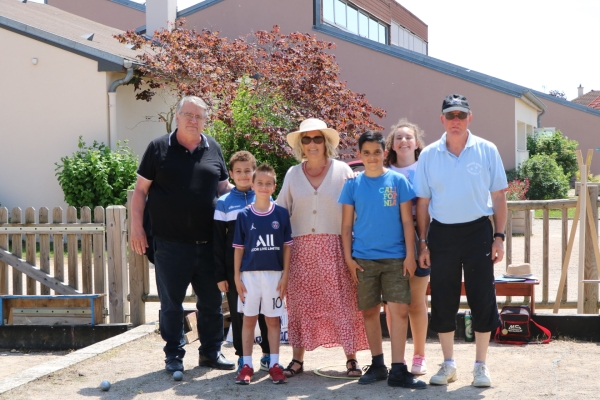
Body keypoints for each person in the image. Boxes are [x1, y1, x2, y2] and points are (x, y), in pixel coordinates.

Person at [130, 95, 235, 373]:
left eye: (199, 116)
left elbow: (224, 190)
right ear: (177, 116)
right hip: (170, 244)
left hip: (209, 243)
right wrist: (137, 228)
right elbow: (140, 192)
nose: (193, 120)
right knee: (171, 305)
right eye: (188, 114)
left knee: (212, 304)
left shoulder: (213, 147)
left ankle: (211, 353)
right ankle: (173, 355)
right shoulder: (158, 148)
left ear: (205, 120)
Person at [414, 94, 508, 388]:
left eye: (461, 115)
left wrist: (499, 237)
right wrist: (423, 243)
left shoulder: (487, 150)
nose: (456, 120)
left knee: (482, 296)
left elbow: (498, 197)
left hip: (479, 232)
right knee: (443, 298)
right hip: (442, 234)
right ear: (442, 119)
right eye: (450, 115)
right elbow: (422, 203)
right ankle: (448, 364)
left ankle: (481, 366)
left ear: (470, 118)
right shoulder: (429, 154)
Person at [276, 118, 369, 378]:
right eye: (307, 139)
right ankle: (297, 359)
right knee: (300, 305)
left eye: (318, 138)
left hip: (336, 249)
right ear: (301, 146)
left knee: (343, 303)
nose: (312, 143)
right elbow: (281, 211)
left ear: (326, 142)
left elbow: (358, 211)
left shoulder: (343, 171)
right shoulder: (293, 174)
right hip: (301, 250)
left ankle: (351, 359)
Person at [339, 131, 426, 389]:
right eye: (366, 153)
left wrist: (410, 255)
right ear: (360, 155)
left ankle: (398, 369)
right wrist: (348, 259)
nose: (372, 157)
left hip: (396, 258)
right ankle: (378, 365)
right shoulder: (352, 185)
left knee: (399, 311)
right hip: (363, 259)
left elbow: (407, 222)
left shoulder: (398, 182)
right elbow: (345, 226)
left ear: (383, 153)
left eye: (377, 152)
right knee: (369, 312)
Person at [233, 164, 292, 385]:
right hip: (249, 277)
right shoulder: (244, 215)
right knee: (248, 320)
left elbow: (287, 247)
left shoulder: (281, 214)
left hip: (274, 276)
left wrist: (285, 275)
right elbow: (238, 248)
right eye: (260, 183)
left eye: (268, 183)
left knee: (273, 321)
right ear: (253, 185)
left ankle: (275, 365)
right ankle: (246, 365)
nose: (264, 187)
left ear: (274, 186)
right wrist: (237, 277)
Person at [214, 151, 271, 373]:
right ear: (230, 174)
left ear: (254, 171)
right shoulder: (223, 203)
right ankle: (242, 356)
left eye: (248, 170)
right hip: (234, 270)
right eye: (238, 171)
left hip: (263, 266)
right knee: (239, 315)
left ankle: (268, 354)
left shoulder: (266, 198)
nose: (244, 175)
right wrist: (220, 275)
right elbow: (218, 242)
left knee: (266, 312)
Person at [383, 119, 429, 375]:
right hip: (390, 240)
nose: (403, 141)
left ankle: (419, 355)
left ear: (416, 143)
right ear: (392, 144)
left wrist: (423, 242)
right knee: (393, 304)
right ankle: (396, 358)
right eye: (398, 137)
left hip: (420, 235)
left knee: (416, 302)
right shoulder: (383, 171)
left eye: (408, 137)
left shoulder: (425, 168)